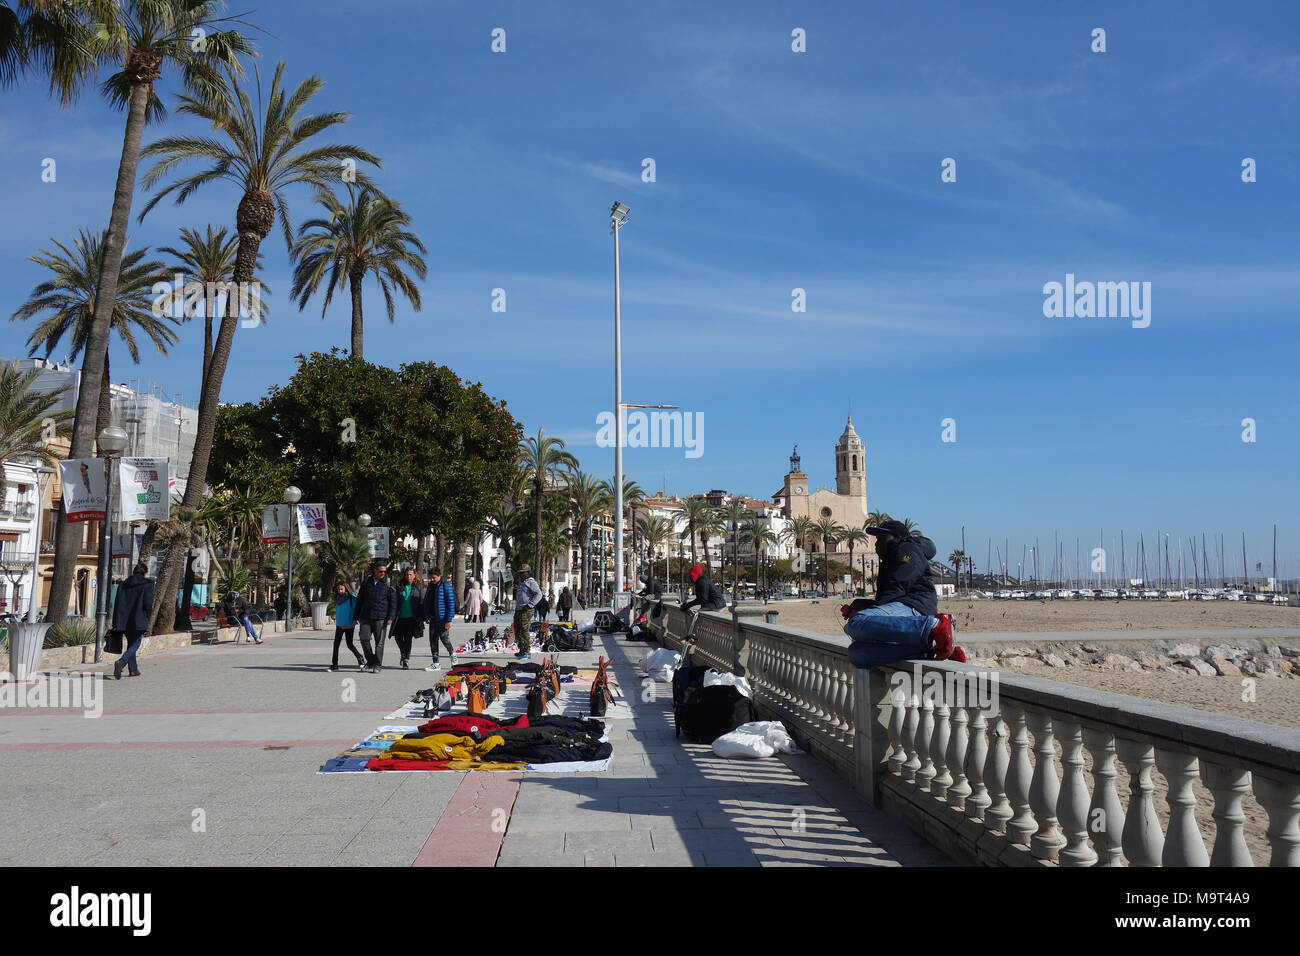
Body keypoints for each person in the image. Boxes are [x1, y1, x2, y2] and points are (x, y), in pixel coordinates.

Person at [840, 519, 963, 666]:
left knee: (856, 623)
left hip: (915, 607)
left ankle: (934, 625)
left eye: (881, 538)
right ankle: (932, 649)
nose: (876, 543)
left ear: (895, 537)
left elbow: (898, 586)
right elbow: (891, 596)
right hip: (901, 605)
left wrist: (871, 610)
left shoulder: (907, 550)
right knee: (856, 653)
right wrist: (866, 604)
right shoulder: (891, 557)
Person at [111, 561, 154, 679]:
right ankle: (122, 662)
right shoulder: (147, 585)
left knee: (131, 643)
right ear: (144, 573)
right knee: (136, 642)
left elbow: (117, 602)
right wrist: (149, 617)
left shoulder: (123, 584)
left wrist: (116, 621)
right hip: (138, 619)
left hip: (123, 620)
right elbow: (148, 604)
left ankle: (133, 670)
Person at [354, 560, 395, 672]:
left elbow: (393, 602)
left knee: (379, 643)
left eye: (384, 571)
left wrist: (391, 617)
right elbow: (360, 599)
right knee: (364, 639)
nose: (383, 573)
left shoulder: (388, 583)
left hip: (381, 618)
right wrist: (356, 615)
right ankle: (371, 661)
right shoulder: (367, 581)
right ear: (375, 570)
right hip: (366, 617)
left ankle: (377, 664)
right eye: (380, 571)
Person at [421, 566, 457, 671]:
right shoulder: (430, 586)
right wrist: (426, 616)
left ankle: (452, 655)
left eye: (434, 578)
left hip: (443, 619)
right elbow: (427, 601)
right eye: (430, 578)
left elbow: (451, 603)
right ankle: (435, 663)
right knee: (433, 641)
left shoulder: (446, 586)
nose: (432, 580)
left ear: (439, 576)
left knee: (444, 639)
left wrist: (448, 620)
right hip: (433, 618)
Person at [391, 568, 425, 670]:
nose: (408, 577)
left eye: (410, 574)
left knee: (408, 639)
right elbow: (394, 601)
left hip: (412, 618)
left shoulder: (418, 587)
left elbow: (422, 602)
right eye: (407, 575)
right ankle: (403, 653)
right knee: (397, 637)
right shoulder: (399, 586)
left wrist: (422, 618)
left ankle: (406, 659)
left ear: (415, 575)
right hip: (400, 617)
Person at [681, 564, 727, 638]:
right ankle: (692, 634)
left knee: (690, 610)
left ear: (696, 574)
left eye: (691, 575)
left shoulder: (702, 581)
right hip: (715, 603)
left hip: (716, 604)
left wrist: (687, 605)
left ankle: (693, 635)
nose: (691, 578)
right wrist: (688, 604)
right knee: (691, 608)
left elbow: (703, 599)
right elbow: (701, 599)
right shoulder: (700, 580)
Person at [330, 582, 366, 672]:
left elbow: (357, 609)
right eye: (338, 589)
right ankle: (335, 665)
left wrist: (357, 619)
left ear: (346, 589)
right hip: (339, 625)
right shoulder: (337, 598)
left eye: (342, 589)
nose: (340, 591)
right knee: (336, 645)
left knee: (349, 644)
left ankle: (360, 657)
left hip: (349, 624)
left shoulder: (352, 598)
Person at [512, 564, 542, 660]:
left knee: (524, 630)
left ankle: (526, 651)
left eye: (523, 573)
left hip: (527, 610)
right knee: (518, 629)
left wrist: (530, 604)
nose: (521, 575)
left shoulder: (531, 582)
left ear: (528, 572)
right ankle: (521, 650)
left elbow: (539, 594)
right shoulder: (522, 583)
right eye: (520, 573)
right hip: (519, 609)